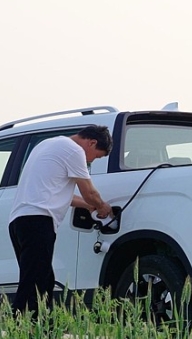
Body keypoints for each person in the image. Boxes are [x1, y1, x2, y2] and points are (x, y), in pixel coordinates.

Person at [8, 125, 113, 316]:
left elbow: (56, 192)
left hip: (20, 221)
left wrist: (88, 205)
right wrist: (102, 206)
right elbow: (89, 192)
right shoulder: (74, 151)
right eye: (96, 157)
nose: (91, 161)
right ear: (92, 143)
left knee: (43, 279)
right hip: (38, 221)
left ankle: (42, 328)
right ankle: (21, 327)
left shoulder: (47, 145)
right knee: (34, 282)